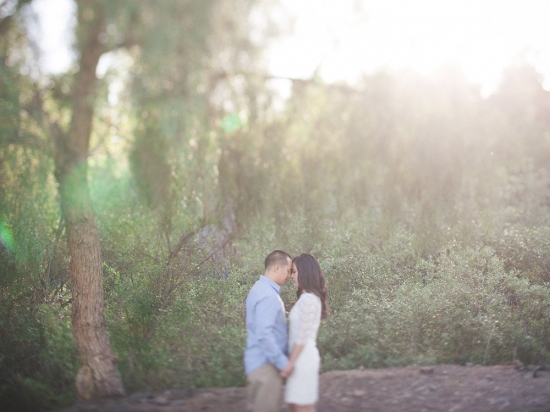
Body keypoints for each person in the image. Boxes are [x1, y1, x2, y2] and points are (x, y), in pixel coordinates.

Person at [244, 250, 293, 412]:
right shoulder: (269, 296)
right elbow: (265, 334)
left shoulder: (257, 289)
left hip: (255, 363)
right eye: (288, 271)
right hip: (266, 366)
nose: (289, 276)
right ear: (277, 268)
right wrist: (283, 363)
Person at [281, 253, 329, 412]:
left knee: (302, 407)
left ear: (305, 271)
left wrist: (290, 363)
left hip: (303, 360)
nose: (291, 276)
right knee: (297, 405)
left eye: (294, 272)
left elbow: (302, 336)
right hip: (300, 358)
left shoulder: (309, 299)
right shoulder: (306, 297)